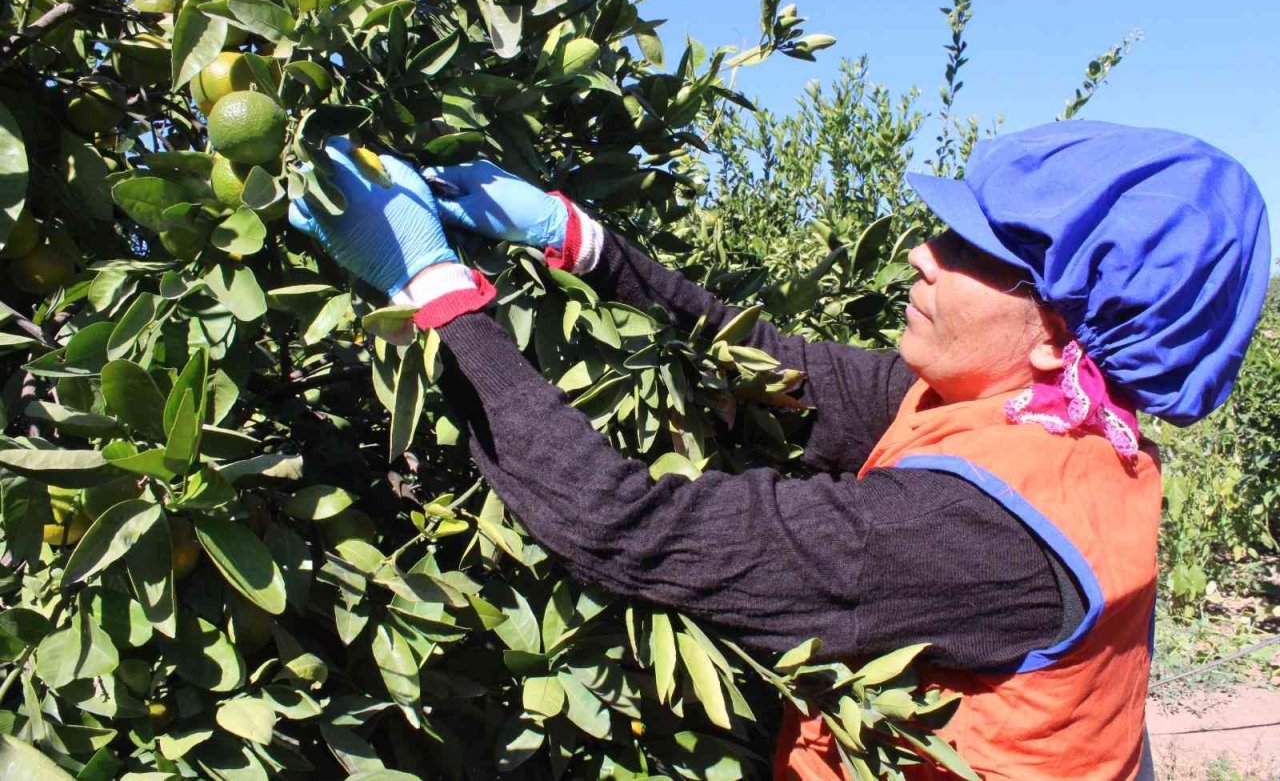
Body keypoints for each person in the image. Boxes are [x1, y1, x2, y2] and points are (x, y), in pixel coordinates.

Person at [288, 121, 1270, 780]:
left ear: (1060, 330)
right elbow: (775, 368)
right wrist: (579, 242)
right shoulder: (1052, 415)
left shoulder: (973, 530)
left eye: (971, 252)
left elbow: (625, 526)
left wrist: (436, 294)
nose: (922, 253)